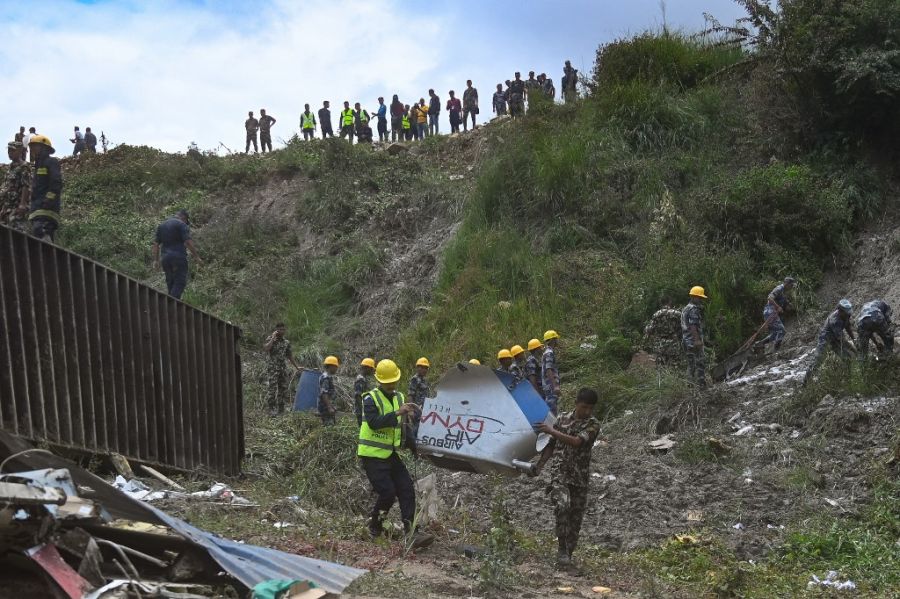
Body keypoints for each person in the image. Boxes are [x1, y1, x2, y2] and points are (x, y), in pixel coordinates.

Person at [358, 359, 432, 547]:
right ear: (379, 381)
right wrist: (398, 413)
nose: (391, 385)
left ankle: (412, 534)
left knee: (407, 489)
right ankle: (375, 527)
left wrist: (415, 448)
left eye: (393, 381)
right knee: (388, 493)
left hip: (390, 454)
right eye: (387, 382)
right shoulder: (370, 399)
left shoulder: (399, 398)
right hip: (372, 455)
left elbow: (402, 428)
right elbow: (374, 422)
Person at [533, 388, 601, 568]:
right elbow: (550, 446)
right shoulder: (561, 419)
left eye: (590, 408)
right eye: (584, 407)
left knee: (575, 519)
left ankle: (566, 556)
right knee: (562, 506)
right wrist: (540, 465)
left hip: (579, 477)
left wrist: (551, 430)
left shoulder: (593, 424)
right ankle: (562, 549)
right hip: (560, 472)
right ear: (577, 403)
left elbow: (577, 442)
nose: (587, 411)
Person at [151, 209, 202, 299]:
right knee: (180, 281)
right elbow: (188, 242)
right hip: (178, 257)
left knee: (170, 283)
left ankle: (171, 308)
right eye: (186, 221)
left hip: (165, 259)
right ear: (184, 218)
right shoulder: (181, 224)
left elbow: (156, 245)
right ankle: (170, 303)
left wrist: (155, 260)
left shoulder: (161, 226)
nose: (186, 223)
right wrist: (196, 257)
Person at [804, 300, 855, 384]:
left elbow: (847, 326)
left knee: (847, 358)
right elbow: (842, 340)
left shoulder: (846, 315)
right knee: (818, 361)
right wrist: (854, 349)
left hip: (835, 338)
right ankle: (806, 382)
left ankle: (847, 379)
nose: (848, 314)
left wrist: (854, 339)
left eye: (849, 311)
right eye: (846, 312)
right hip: (825, 339)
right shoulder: (835, 320)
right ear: (840, 311)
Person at [27, 135, 62, 242]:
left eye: (35, 146)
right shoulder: (37, 167)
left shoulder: (51, 162)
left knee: (42, 231)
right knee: (37, 235)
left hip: (47, 208)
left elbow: (56, 183)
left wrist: (49, 199)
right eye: (31, 147)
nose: (32, 150)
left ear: (44, 148)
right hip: (37, 208)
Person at [263, 323, 302, 415]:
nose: (282, 331)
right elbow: (266, 348)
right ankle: (271, 408)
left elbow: (290, 356)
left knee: (283, 388)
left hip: (282, 368)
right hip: (273, 368)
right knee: (272, 388)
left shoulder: (286, 342)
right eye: (280, 329)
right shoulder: (271, 339)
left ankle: (281, 408)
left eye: (283, 329)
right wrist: (272, 338)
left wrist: (296, 366)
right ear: (276, 330)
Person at [754, 277, 796, 352]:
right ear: (787, 283)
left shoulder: (784, 292)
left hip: (771, 312)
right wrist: (778, 307)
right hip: (770, 311)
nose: (792, 287)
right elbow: (770, 298)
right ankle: (776, 350)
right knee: (782, 331)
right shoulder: (779, 288)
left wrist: (790, 305)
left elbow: (785, 303)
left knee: (775, 333)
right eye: (791, 285)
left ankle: (760, 344)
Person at [0, 141, 32, 232]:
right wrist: (3, 208)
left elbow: (25, 186)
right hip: (7, 207)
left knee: (17, 233)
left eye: (12, 151)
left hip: (17, 206)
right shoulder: (10, 168)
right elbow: (7, 187)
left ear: (20, 151)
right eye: (9, 151)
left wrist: (22, 204)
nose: (10, 153)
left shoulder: (24, 167)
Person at [681, 286, 708, 388]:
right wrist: (697, 340)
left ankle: (689, 386)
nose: (700, 300)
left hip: (686, 340)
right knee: (700, 363)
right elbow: (693, 325)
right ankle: (701, 386)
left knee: (691, 364)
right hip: (692, 341)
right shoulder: (693, 309)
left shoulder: (685, 308)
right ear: (693, 297)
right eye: (699, 298)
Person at [541, 330, 561, 414]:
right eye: (556, 338)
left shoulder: (546, 352)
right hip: (550, 387)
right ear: (552, 340)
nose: (557, 340)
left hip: (548, 386)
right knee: (552, 410)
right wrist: (555, 386)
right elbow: (549, 369)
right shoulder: (549, 353)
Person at [355, 358, 376, 426]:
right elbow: (358, 396)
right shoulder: (360, 379)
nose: (372, 370)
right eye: (371, 368)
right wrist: (363, 410)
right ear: (367, 368)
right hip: (361, 411)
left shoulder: (363, 378)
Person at [319, 356, 340, 425]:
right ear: (331, 366)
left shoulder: (327, 376)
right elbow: (324, 393)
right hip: (325, 408)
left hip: (327, 406)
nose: (336, 369)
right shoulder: (326, 378)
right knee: (328, 426)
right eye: (335, 367)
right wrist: (329, 407)